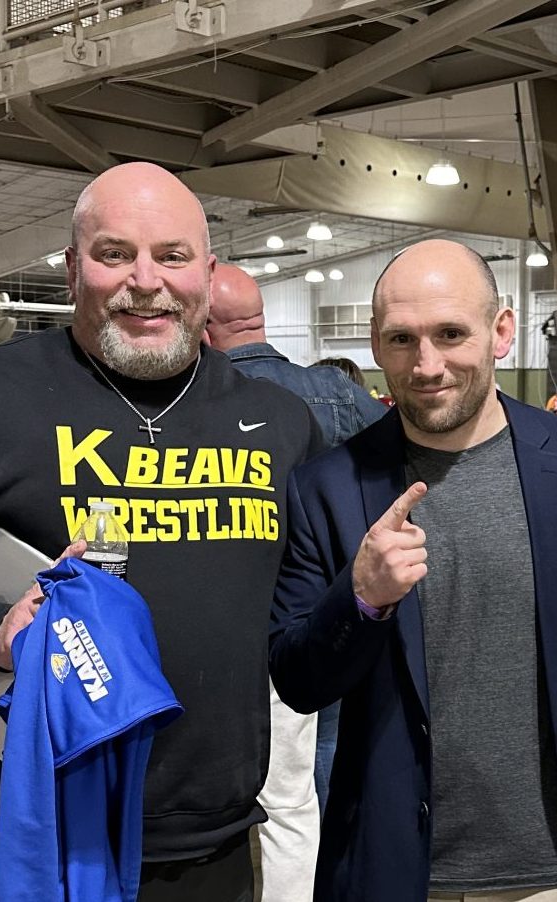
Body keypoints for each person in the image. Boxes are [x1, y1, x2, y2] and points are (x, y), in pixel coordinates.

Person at [0, 161, 323, 902]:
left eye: (172, 256)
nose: (145, 281)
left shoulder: (278, 423)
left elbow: (300, 627)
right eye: (115, 253)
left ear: (208, 276)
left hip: (206, 848)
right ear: (72, 268)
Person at [268, 238, 557, 902]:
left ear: (501, 332)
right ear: (375, 344)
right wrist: (360, 600)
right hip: (399, 872)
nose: (426, 365)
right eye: (401, 339)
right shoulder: (326, 488)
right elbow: (297, 680)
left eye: (450, 334)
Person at [205, 263, 383, 901]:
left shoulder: (207, 399)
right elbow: (401, 462)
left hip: (244, 622)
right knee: (321, 765)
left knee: (272, 795)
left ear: (204, 325)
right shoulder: (334, 391)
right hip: (338, 610)